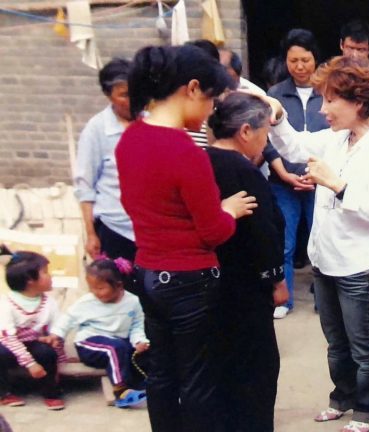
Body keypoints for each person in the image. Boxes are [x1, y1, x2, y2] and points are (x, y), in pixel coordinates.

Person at [116, 44, 256, 432]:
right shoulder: (185, 151)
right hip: (189, 281)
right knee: (198, 380)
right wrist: (228, 211)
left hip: (147, 271)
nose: (212, 111)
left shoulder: (130, 138)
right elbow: (213, 232)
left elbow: (133, 205)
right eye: (211, 99)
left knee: (160, 374)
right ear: (192, 89)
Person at [266, 55, 369, 432]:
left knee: (363, 343)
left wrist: (338, 185)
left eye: (330, 101)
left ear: (358, 102)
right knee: (335, 341)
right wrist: (278, 118)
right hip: (326, 258)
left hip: (359, 264)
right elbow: (295, 149)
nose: (323, 109)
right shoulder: (338, 139)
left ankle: (368, 405)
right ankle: (341, 396)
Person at [205, 92, 289, 431]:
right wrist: (278, 280)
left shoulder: (201, 161)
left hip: (208, 283)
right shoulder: (243, 170)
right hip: (245, 285)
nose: (265, 141)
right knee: (258, 367)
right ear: (245, 131)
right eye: (265, 132)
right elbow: (263, 232)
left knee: (221, 365)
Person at [264, 28, 328, 319]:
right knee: (285, 243)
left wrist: (317, 175)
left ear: (316, 58)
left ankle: (324, 300)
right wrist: (285, 174)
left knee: (322, 242)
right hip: (283, 182)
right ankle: (284, 299)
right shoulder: (275, 95)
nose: (300, 66)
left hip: (322, 182)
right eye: (293, 60)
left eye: (305, 59)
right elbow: (267, 139)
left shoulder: (328, 92)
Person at [50, 257, 149, 409]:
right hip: (89, 344)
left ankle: (140, 384)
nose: (96, 293)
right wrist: (57, 334)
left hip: (118, 345)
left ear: (119, 285)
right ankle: (121, 391)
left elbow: (136, 326)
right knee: (115, 348)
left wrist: (139, 341)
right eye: (92, 288)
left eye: (101, 288)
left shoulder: (133, 302)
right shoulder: (86, 302)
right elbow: (68, 318)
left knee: (129, 349)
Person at [74, 58, 136, 262]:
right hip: (115, 228)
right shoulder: (97, 130)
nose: (133, 100)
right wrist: (91, 234)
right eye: (124, 95)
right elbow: (85, 186)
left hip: (151, 229)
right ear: (109, 96)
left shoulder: (151, 120)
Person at [0, 248, 66, 411]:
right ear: (30, 280)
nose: (51, 276)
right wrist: (30, 364)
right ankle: (4, 393)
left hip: (32, 342)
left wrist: (53, 337)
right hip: (8, 345)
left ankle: (51, 392)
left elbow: (58, 327)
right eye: (45, 272)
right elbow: (8, 338)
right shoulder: (7, 303)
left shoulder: (48, 302)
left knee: (47, 353)